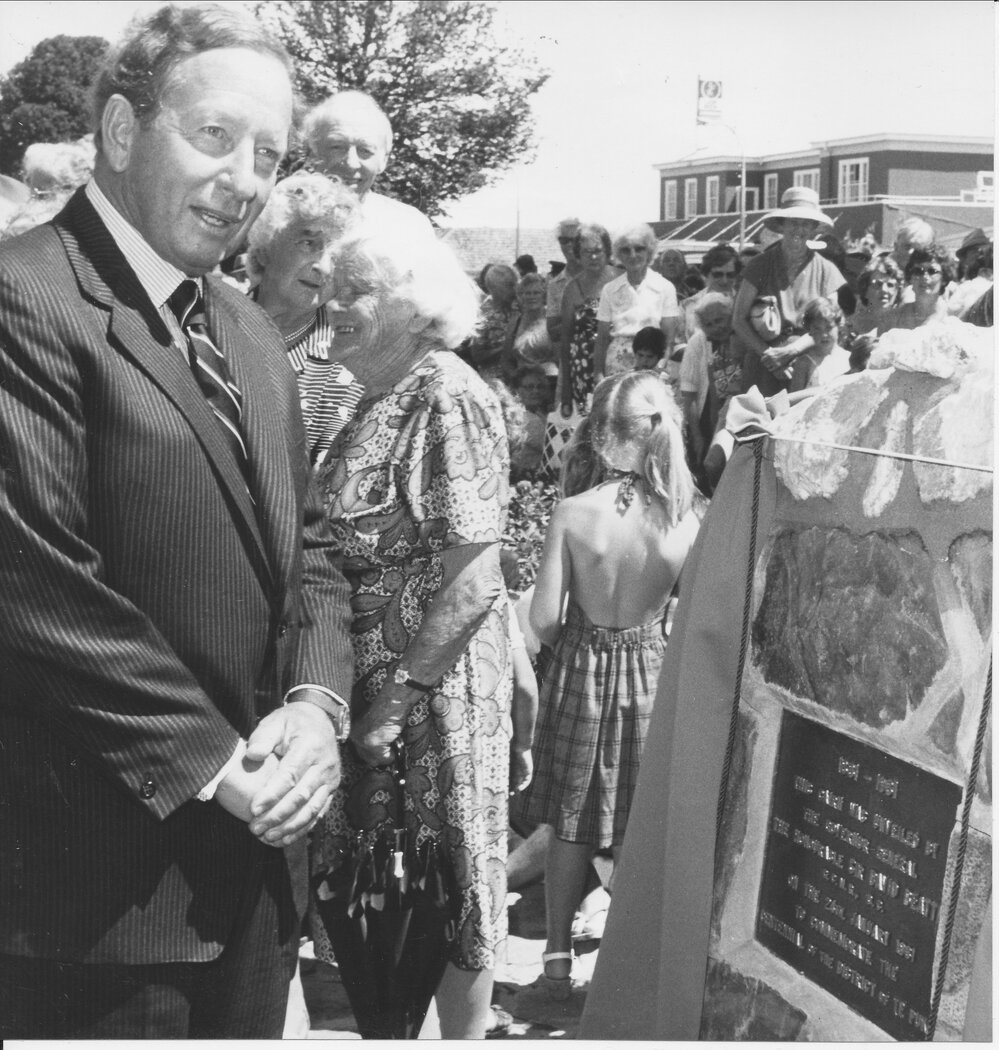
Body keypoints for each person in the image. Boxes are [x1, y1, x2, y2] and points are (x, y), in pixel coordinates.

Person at [0, 4, 355, 1039]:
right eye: (214, 137)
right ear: (120, 131)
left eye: (268, 154)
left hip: (252, 894)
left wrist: (316, 700)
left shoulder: (244, 326)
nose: (245, 178)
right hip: (94, 913)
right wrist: (220, 764)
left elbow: (314, 548)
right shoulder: (24, 300)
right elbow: (34, 584)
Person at [310, 231, 519, 1040]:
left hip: (431, 695)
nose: (333, 307)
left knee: (446, 884)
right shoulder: (370, 394)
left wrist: (394, 706)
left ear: (411, 304)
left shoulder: (445, 393)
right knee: (385, 887)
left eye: (353, 291)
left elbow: (475, 574)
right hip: (381, 688)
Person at [521, 370, 700, 1000]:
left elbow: (543, 620)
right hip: (651, 668)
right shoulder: (686, 520)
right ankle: (629, 966)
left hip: (579, 670)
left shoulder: (573, 512)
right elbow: (697, 615)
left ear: (600, 435)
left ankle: (556, 960)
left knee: (572, 819)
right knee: (634, 818)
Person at [245, 171, 362, 468]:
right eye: (309, 243)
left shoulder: (347, 367)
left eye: (336, 257)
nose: (323, 267)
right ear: (266, 244)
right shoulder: (203, 324)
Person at [731, 186, 845, 397]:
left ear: (814, 228)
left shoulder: (826, 271)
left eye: (805, 224)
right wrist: (769, 356)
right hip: (762, 364)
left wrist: (791, 352)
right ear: (782, 225)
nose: (798, 230)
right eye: (793, 222)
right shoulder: (760, 265)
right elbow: (738, 319)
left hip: (806, 366)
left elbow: (831, 325)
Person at [302, 89, 435, 241]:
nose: (351, 164)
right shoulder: (280, 216)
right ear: (314, 152)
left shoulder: (409, 227)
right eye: (337, 147)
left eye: (365, 151)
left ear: (383, 161)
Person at [595, 222, 680, 378]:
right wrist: (598, 375)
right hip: (616, 366)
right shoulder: (610, 289)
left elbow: (669, 340)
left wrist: (660, 367)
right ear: (619, 254)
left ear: (649, 251)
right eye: (626, 250)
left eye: (639, 248)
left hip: (651, 363)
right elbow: (601, 339)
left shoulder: (665, 287)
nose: (632, 255)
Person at [678, 293, 740, 486]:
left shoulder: (742, 338)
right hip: (710, 415)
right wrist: (696, 435)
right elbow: (690, 393)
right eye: (709, 324)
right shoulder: (698, 342)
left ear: (731, 316)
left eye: (720, 320)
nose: (716, 327)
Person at [558, 221, 618, 417]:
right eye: (586, 252)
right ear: (578, 255)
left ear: (608, 252)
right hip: (583, 373)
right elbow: (565, 341)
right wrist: (566, 389)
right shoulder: (572, 289)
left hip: (619, 366)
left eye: (598, 250)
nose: (593, 257)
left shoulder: (622, 280)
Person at [877, 244, 956, 333]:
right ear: (910, 277)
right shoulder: (890, 320)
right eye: (918, 271)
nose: (924, 277)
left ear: (944, 278)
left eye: (932, 271)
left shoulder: (952, 320)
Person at [787, 296, 851, 400]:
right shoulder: (804, 363)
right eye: (817, 329)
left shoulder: (848, 357)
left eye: (829, 328)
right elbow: (792, 399)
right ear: (810, 330)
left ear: (838, 326)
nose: (824, 335)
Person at [466, 261, 520, 378]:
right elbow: (477, 355)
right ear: (496, 288)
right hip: (495, 381)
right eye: (509, 285)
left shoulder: (518, 308)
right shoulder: (483, 315)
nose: (514, 290)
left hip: (519, 378)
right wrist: (506, 348)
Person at [682, 243, 741, 340]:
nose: (724, 281)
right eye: (718, 274)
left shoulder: (742, 304)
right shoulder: (688, 306)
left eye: (730, 275)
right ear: (706, 273)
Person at [506, 271, 556, 377]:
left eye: (536, 292)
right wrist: (514, 378)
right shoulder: (515, 321)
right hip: (523, 382)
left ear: (544, 295)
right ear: (521, 295)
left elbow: (561, 357)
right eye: (527, 293)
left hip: (549, 380)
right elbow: (506, 359)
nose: (531, 296)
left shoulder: (552, 319)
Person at [546, 216, 582, 347]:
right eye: (564, 240)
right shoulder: (555, 284)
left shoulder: (601, 277)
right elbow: (552, 332)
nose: (569, 245)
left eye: (574, 240)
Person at [848, 251, 903, 336]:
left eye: (890, 285)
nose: (884, 290)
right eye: (878, 285)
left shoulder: (902, 324)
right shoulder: (851, 325)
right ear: (866, 288)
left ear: (897, 291)